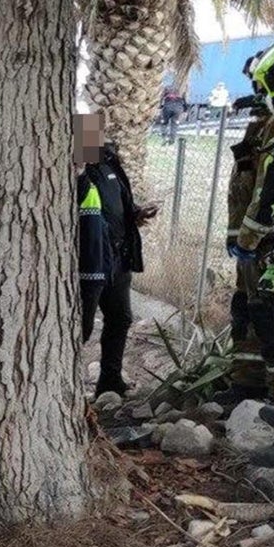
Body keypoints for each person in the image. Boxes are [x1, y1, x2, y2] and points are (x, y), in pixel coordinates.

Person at [76, 112, 157, 397]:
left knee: (120, 318)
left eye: (95, 132)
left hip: (118, 259)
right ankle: (67, 386)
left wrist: (136, 213)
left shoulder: (110, 163)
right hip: (90, 262)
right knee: (81, 328)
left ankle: (110, 380)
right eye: (86, 133)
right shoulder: (76, 171)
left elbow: (119, 204)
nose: (94, 138)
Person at [222, 52, 274, 403]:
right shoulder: (263, 126)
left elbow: (265, 191)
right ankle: (246, 385)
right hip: (255, 244)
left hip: (268, 242)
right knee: (247, 309)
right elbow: (245, 188)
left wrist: (250, 236)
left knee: (270, 317)